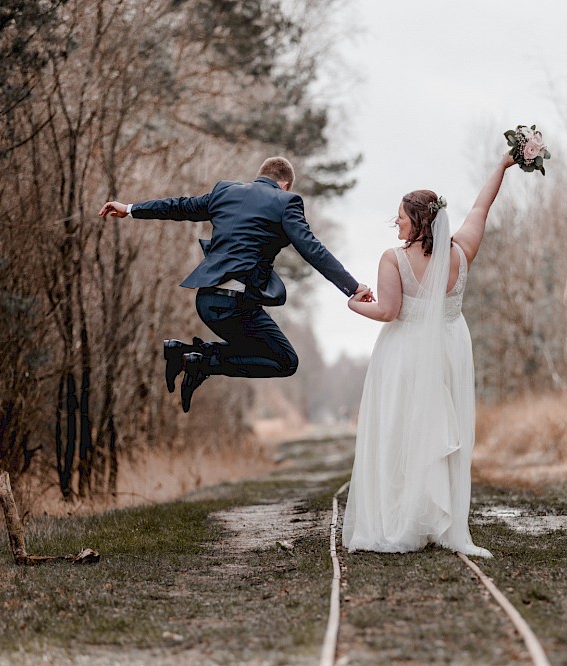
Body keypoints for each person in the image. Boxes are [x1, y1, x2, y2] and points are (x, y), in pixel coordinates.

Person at [342, 151, 516, 558]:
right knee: (440, 434)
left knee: (400, 433)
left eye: (401, 216)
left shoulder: (394, 258)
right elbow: (481, 207)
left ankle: (402, 522)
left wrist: (353, 305)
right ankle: (439, 521)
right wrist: (502, 166)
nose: (397, 222)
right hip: (451, 350)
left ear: (419, 221)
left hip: (405, 354)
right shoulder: (461, 252)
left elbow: (387, 311)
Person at [99, 156, 370, 412]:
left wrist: (131, 209)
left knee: (256, 350)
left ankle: (188, 354)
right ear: (285, 185)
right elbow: (313, 250)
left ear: (260, 175)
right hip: (236, 305)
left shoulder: (225, 192)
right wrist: (353, 287)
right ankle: (200, 361)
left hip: (206, 302)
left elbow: (179, 206)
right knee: (285, 361)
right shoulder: (286, 202)